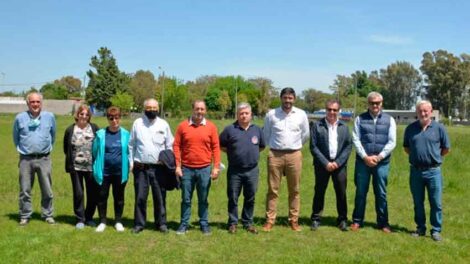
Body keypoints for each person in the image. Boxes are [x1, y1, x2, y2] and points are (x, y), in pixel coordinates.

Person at [263, 87, 310, 232]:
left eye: (290, 98)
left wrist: (294, 146)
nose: (287, 101)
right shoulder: (272, 114)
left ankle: (294, 220)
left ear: (294, 99)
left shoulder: (301, 114)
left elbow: (306, 134)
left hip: (294, 155)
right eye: (285, 98)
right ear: (281, 98)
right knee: (273, 189)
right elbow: (266, 134)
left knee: (294, 190)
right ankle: (270, 220)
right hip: (275, 155)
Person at [404, 100, 450, 242]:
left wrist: (434, 158)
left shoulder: (439, 128)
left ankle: (436, 230)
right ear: (416, 112)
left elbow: (446, 148)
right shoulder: (410, 128)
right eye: (420, 111)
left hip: (433, 172)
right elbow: (407, 148)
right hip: (416, 172)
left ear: (431, 112)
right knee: (418, 202)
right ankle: (420, 228)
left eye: (426, 111)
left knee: (436, 202)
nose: (423, 113)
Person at [350, 91, 396, 233]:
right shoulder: (359, 119)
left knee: (381, 193)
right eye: (372, 103)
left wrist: (379, 157)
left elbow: (392, 141)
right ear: (368, 104)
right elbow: (355, 139)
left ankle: (383, 223)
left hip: (381, 163)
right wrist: (365, 157)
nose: (375, 105)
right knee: (361, 192)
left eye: (377, 103)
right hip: (363, 162)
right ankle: (357, 221)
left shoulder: (390, 120)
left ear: (381, 103)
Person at [173, 100, 220, 235]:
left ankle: (204, 224)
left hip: (205, 169)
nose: (199, 112)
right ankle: (184, 224)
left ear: (205, 111)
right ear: (192, 110)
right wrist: (178, 166)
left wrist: (215, 167)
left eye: (202, 109)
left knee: (203, 199)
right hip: (187, 169)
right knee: (186, 199)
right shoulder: (183, 126)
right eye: (197, 109)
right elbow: (176, 146)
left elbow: (216, 148)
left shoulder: (211, 127)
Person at [128, 99, 174, 234]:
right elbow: (131, 145)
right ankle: (139, 224)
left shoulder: (163, 124)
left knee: (159, 196)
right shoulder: (138, 123)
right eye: (149, 108)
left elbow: (169, 145)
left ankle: (161, 223)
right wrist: (131, 163)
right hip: (140, 167)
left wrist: (167, 161)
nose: (152, 110)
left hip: (159, 168)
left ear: (158, 109)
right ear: (144, 109)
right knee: (140, 197)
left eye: (154, 108)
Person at [219, 102, 265, 234]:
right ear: (237, 115)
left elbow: (261, 147)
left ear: (251, 114)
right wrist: (233, 153)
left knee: (250, 197)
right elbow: (221, 145)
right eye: (241, 113)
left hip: (252, 170)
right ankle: (232, 223)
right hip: (235, 170)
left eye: (246, 113)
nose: (244, 116)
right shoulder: (229, 129)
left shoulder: (257, 130)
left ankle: (247, 222)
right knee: (233, 197)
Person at [13, 92, 56, 226]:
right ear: (28, 103)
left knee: (47, 190)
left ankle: (47, 214)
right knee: (25, 190)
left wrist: (45, 149)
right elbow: (16, 137)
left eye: (38, 102)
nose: (35, 104)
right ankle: (25, 215)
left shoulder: (49, 117)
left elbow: (53, 136)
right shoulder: (20, 118)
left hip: (44, 159)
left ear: (41, 103)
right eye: (32, 102)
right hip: (26, 159)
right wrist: (24, 150)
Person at [310, 100, 352, 232]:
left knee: (341, 192)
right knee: (319, 191)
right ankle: (316, 219)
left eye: (334, 110)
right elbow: (313, 147)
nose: (332, 112)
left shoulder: (344, 127)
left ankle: (342, 219)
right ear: (325, 110)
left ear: (338, 111)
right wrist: (326, 163)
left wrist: (338, 162)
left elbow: (348, 146)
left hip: (339, 166)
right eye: (329, 109)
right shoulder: (317, 126)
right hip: (322, 165)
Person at [92, 106, 130, 232]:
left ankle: (118, 221)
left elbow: (129, 152)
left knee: (119, 197)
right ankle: (102, 221)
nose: (114, 120)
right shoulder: (100, 134)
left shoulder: (126, 134)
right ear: (107, 119)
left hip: (120, 172)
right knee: (102, 196)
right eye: (111, 118)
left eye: (117, 117)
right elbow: (94, 151)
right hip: (104, 172)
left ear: (120, 118)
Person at [63, 104, 99, 229]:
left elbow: (98, 146)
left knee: (92, 193)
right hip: (76, 168)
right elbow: (65, 148)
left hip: (91, 167)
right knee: (78, 193)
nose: (84, 116)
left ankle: (89, 218)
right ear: (77, 115)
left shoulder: (94, 128)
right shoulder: (70, 129)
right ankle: (80, 219)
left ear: (89, 116)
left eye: (86, 114)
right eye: (81, 114)